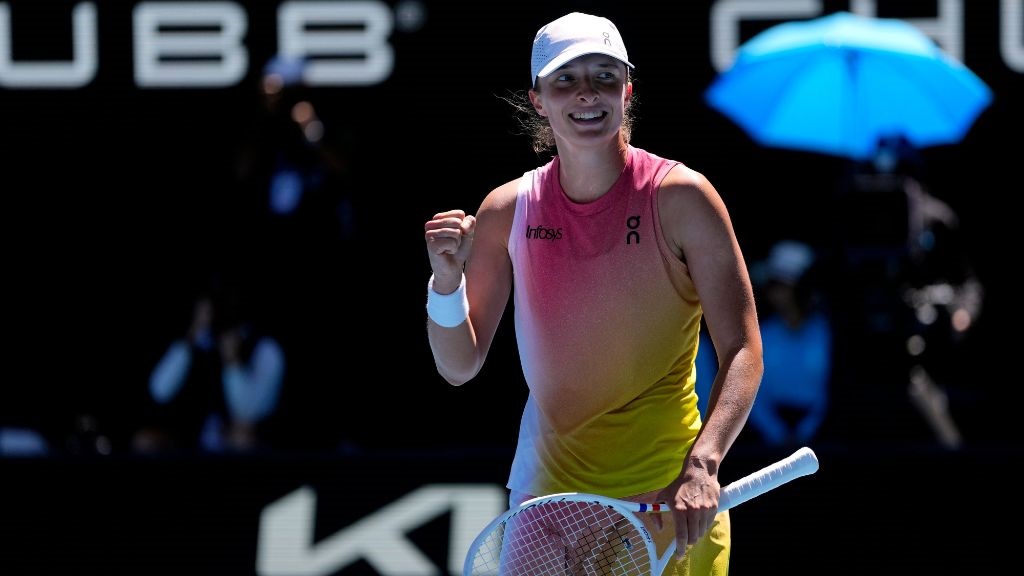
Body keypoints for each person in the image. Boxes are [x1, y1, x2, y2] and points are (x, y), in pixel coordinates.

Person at [422, 12, 762, 573]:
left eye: (604, 76)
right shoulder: (507, 212)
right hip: (549, 504)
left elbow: (744, 349)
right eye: (565, 80)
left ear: (627, 90)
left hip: (669, 502)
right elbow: (459, 365)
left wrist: (703, 465)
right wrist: (445, 281)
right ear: (538, 100)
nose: (587, 94)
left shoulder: (683, 199)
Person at [700, 240, 833, 448]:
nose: (776, 294)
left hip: (821, 437)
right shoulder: (762, 334)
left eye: (782, 286)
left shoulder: (826, 332)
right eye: (773, 286)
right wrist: (776, 432)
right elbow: (751, 391)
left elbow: (830, 388)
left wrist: (808, 430)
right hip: (768, 441)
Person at [133, 284, 287, 454]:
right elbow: (159, 391)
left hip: (240, 443)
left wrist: (232, 362)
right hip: (192, 441)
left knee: (241, 438)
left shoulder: (264, 349)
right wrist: (190, 340)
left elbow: (247, 412)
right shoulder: (195, 344)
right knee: (145, 441)